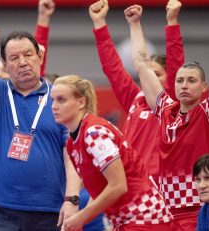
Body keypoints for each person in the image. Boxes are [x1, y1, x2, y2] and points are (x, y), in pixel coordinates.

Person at [126, 3, 209, 230]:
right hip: (162, 211)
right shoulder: (165, 110)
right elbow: (141, 64)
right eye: (180, 80)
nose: (184, 86)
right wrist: (134, 24)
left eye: (191, 81)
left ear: (203, 87)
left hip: (197, 211)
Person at [0, 6, 81, 230]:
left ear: (40, 56)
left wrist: (72, 199)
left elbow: (72, 155)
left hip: (49, 211)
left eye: (28, 55)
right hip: (2, 212)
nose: (23, 62)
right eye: (14, 58)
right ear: (6, 65)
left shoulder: (58, 97)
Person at [51, 75, 173, 231]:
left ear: (81, 102)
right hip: (125, 220)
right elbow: (98, 188)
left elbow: (118, 185)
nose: (54, 106)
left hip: (146, 216)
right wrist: (76, 214)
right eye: (53, 100)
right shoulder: (72, 143)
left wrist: (82, 217)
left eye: (61, 100)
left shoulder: (94, 133)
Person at [89, 0, 184, 179]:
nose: (150, 78)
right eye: (149, 74)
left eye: (157, 74)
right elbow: (113, 68)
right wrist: (100, 24)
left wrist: (172, 22)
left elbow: (176, 62)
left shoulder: (172, 103)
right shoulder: (135, 98)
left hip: (161, 183)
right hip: (131, 180)